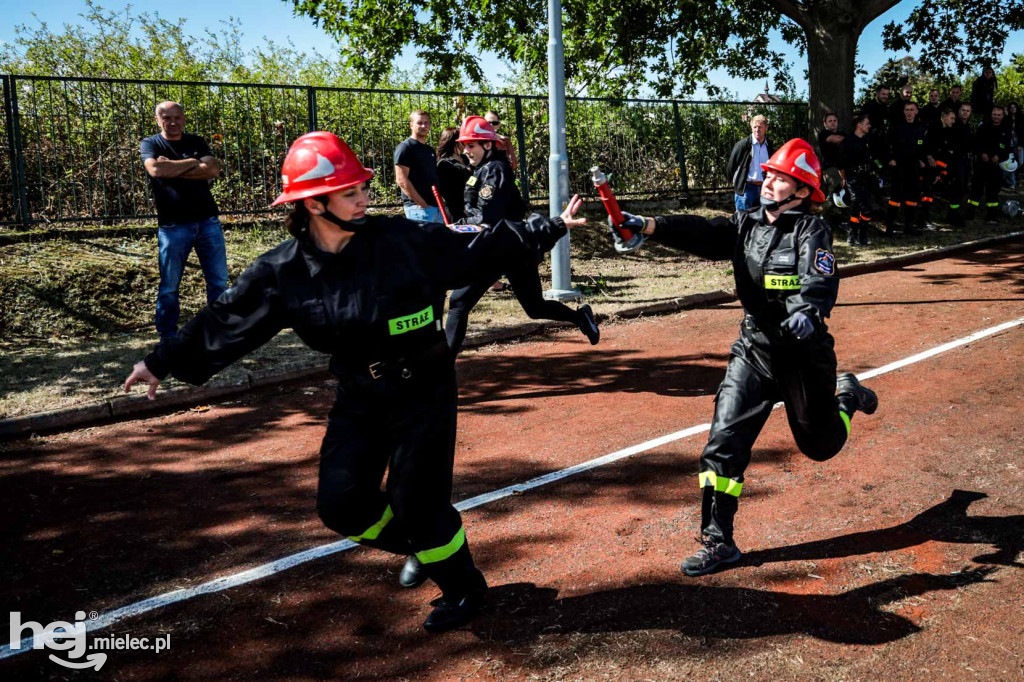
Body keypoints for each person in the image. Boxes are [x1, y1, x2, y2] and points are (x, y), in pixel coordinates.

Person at [124, 131, 585, 632]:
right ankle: (421, 547)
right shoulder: (283, 271)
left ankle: (462, 586)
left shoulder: (404, 240)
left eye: (362, 186)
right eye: (349, 192)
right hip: (360, 394)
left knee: (417, 501)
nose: (364, 196)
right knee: (341, 503)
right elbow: (228, 318)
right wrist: (162, 359)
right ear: (313, 203)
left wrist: (549, 227)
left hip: (423, 387)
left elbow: (479, 243)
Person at [607, 139, 879, 576]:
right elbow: (705, 231)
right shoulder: (747, 222)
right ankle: (718, 540)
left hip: (803, 355)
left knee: (821, 445)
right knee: (723, 443)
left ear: (803, 191)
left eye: (781, 177)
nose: (769, 181)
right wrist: (650, 225)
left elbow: (819, 277)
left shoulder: (811, 231)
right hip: (754, 350)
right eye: (769, 174)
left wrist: (809, 310)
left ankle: (847, 397)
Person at [443, 116, 600, 352]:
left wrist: (458, 226)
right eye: (464, 145)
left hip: (500, 249)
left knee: (459, 301)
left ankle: (442, 371)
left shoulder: (494, 170)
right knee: (535, 307)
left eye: (471, 145)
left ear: (488, 145)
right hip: (508, 249)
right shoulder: (481, 169)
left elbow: (487, 219)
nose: (466, 150)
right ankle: (581, 317)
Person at [140, 101, 228, 344]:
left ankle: (218, 329)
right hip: (173, 226)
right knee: (170, 285)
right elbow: (156, 171)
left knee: (218, 281)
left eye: (177, 117)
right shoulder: (150, 143)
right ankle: (168, 335)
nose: (173, 122)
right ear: (158, 120)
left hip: (207, 222)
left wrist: (173, 165)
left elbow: (212, 170)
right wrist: (192, 162)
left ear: (184, 118)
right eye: (167, 118)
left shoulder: (196, 141)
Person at [886, 100, 929, 234]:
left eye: (912, 110)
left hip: (914, 167)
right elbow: (887, 144)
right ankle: (890, 227)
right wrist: (890, 159)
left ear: (916, 111)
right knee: (895, 198)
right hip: (899, 166)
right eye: (907, 110)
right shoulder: (896, 127)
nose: (909, 113)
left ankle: (909, 226)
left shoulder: (921, 128)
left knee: (912, 197)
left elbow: (923, 147)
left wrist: (922, 160)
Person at [394, 109, 443, 223]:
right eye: (419, 122)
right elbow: (401, 180)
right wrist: (422, 203)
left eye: (426, 123)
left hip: (436, 207)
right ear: (411, 125)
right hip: (418, 209)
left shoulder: (429, 150)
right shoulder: (405, 147)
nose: (423, 125)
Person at [837, 113, 878, 245]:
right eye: (867, 123)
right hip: (853, 179)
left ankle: (852, 236)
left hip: (867, 178)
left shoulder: (868, 140)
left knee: (856, 208)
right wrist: (845, 179)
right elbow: (840, 164)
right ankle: (863, 236)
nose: (869, 126)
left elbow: (873, 159)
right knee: (866, 208)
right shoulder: (848, 141)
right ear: (859, 125)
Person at [925, 108, 969, 226]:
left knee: (957, 189)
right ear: (944, 117)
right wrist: (930, 159)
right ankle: (923, 220)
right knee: (927, 193)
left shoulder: (950, 131)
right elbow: (927, 148)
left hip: (946, 168)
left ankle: (953, 215)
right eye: (952, 118)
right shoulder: (933, 128)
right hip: (932, 168)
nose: (954, 121)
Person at [968, 105, 1011, 223]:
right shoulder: (983, 128)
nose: (996, 117)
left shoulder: (1006, 131)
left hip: (996, 167)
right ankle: (970, 212)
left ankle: (991, 216)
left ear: (1003, 116)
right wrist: (982, 153)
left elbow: (1007, 149)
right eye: (994, 114)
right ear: (991, 115)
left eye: (999, 115)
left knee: (993, 192)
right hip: (981, 165)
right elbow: (975, 144)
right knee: (976, 189)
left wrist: (999, 156)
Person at [726, 115, 774, 211]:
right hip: (746, 189)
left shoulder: (769, 145)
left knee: (761, 221)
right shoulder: (742, 145)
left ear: (766, 128)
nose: (757, 130)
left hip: (763, 189)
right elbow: (731, 167)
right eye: (754, 127)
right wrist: (738, 184)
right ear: (751, 127)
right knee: (743, 220)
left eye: (760, 127)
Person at [435, 126, 471, 221]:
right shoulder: (444, 163)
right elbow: (445, 191)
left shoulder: (465, 158)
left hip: (470, 205)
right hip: (456, 210)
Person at [817, 113, 845, 192]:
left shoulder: (843, 134)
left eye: (834, 120)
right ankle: (829, 203)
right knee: (836, 189)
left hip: (843, 167)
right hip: (830, 168)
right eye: (830, 121)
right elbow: (836, 139)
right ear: (825, 124)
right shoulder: (823, 134)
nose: (833, 122)